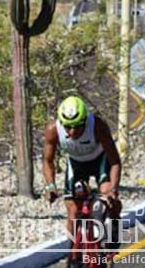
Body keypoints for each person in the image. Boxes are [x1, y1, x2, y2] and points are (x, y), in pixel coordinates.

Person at [43, 96, 122, 246]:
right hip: (76, 163)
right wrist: (50, 186)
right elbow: (48, 161)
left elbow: (115, 161)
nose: (72, 132)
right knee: (73, 210)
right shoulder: (52, 130)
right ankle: (74, 257)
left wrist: (114, 189)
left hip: (100, 161)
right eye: (67, 126)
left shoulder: (98, 126)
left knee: (106, 198)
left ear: (86, 120)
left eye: (78, 126)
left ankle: (114, 224)